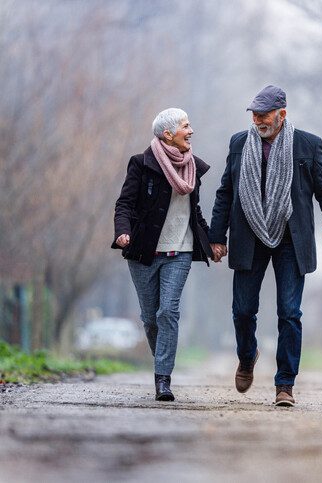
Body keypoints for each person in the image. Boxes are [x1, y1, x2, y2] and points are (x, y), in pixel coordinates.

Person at [209, 85, 322, 407]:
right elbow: (225, 192)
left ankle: (285, 384)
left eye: (264, 115)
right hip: (248, 236)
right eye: (254, 115)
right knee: (243, 311)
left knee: (289, 313)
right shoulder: (239, 143)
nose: (258, 121)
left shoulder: (308, 144)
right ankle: (247, 356)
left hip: (290, 240)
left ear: (281, 114)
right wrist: (217, 238)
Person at [112, 108, 213, 402]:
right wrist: (122, 231)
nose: (191, 131)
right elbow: (124, 204)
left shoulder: (193, 167)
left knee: (168, 312)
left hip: (179, 251)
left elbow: (194, 213)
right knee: (150, 318)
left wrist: (213, 241)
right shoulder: (141, 165)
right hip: (144, 251)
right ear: (168, 134)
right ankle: (164, 361)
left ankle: (163, 380)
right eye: (186, 126)